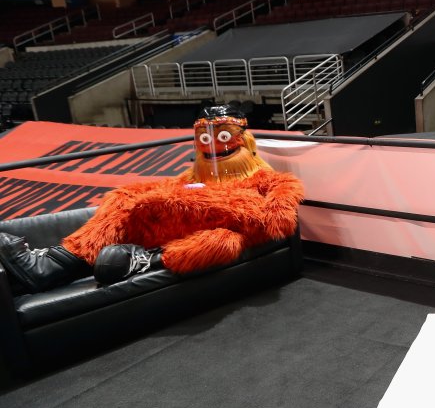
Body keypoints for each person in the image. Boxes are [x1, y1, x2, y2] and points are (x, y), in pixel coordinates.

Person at [0, 104, 304, 292]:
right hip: (165, 222)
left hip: (213, 232)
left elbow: (278, 222)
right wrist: (171, 197)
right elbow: (167, 189)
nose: (215, 146)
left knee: (221, 241)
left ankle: (145, 259)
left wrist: (220, 202)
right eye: (206, 138)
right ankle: (56, 263)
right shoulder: (191, 177)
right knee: (126, 195)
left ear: (242, 139)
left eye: (223, 135)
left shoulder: (272, 180)